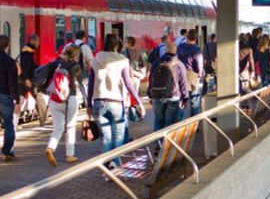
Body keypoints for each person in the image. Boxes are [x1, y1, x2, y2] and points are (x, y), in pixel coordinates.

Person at [89, 34, 144, 165]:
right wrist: (138, 102)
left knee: (106, 139)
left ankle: (108, 168)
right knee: (118, 138)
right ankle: (115, 166)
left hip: (98, 102)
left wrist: (89, 105)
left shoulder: (95, 60)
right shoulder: (122, 60)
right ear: (116, 45)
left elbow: (91, 84)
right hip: (116, 103)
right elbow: (128, 83)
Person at [44, 45, 85, 166]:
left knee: (58, 128)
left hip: (55, 99)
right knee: (70, 127)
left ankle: (50, 148)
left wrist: (60, 58)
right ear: (76, 55)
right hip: (69, 99)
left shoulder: (58, 63)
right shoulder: (75, 66)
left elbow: (49, 68)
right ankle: (70, 155)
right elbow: (80, 77)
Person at [149, 42, 189, 130]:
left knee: (158, 121)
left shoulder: (156, 63)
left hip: (157, 95)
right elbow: (183, 83)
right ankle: (167, 143)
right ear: (176, 51)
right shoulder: (179, 64)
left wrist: (150, 95)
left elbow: (151, 80)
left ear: (165, 51)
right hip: (173, 96)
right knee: (169, 123)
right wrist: (185, 98)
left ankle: (158, 142)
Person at [18, 34, 47, 126]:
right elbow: (25, 66)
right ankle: (43, 120)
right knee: (39, 97)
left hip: (23, 79)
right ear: (33, 41)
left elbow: (30, 66)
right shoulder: (27, 52)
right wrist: (27, 79)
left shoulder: (27, 50)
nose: (39, 43)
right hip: (28, 79)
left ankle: (13, 121)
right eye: (37, 41)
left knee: (20, 99)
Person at [177, 29, 205, 115]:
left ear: (187, 37)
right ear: (196, 38)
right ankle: (194, 124)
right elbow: (199, 64)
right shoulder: (196, 49)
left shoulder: (180, 47)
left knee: (181, 98)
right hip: (192, 75)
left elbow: (177, 59)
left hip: (180, 74)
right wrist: (200, 74)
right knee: (194, 100)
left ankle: (179, 122)